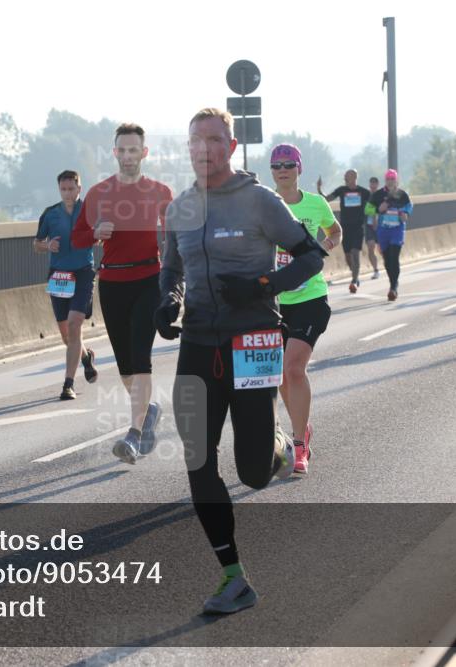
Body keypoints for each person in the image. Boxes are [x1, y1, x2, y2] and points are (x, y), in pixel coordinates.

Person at [158, 108, 325, 614]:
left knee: (252, 472)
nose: (204, 148)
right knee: (197, 457)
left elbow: (311, 256)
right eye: (196, 140)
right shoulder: (180, 208)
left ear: (230, 147)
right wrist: (169, 301)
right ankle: (233, 577)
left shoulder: (260, 201)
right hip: (198, 343)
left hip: (252, 341)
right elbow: (172, 269)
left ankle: (278, 442)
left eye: (214, 140)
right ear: (188, 148)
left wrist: (262, 285)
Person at [71, 123, 173, 463]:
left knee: (141, 358)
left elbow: (176, 238)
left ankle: (133, 435)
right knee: (126, 367)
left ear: (144, 153)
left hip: (149, 280)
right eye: (122, 150)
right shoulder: (98, 193)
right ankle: (149, 409)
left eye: (134, 150)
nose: (128, 156)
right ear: (114, 152)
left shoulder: (160, 192)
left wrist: (176, 281)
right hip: (113, 284)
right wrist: (95, 233)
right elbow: (77, 238)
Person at [275, 144, 339, 473]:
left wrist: (321, 248)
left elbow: (335, 231)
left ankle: (299, 445)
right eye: (277, 165)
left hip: (311, 298)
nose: (283, 170)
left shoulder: (315, 203)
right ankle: (302, 427)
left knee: (293, 368)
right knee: (280, 375)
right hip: (274, 302)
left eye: (289, 164)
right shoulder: (266, 204)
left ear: (299, 168)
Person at [34, 170, 99, 400]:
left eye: (72, 189)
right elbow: (36, 243)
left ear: (79, 188)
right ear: (59, 190)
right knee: (66, 336)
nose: (68, 193)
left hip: (83, 273)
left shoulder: (90, 211)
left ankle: (68, 384)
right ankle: (85, 357)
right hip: (59, 276)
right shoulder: (50, 214)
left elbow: (100, 234)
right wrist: (47, 245)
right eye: (63, 189)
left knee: (74, 324)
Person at [318, 169, 368, 292]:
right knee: (348, 256)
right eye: (345, 176)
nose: (345, 178)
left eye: (347, 176)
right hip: (345, 228)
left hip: (358, 227)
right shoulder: (341, 190)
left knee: (355, 253)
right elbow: (326, 199)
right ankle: (354, 273)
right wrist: (319, 189)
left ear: (354, 177)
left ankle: (354, 280)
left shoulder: (364, 192)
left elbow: (374, 204)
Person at [365, 170, 412, 300]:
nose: (390, 182)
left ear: (396, 180)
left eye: (393, 179)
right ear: (385, 181)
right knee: (387, 260)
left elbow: (409, 207)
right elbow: (367, 209)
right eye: (388, 179)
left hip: (397, 230)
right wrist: (378, 209)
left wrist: (405, 214)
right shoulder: (378, 194)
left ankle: (393, 287)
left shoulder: (402, 194)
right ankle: (393, 283)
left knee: (394, 257)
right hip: (383, 230)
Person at [365, 176, 381, 279]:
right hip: (369, 225)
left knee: (382, 249)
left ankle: (389, 266)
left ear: (378, 184)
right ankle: (376, 270)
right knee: (371, 247)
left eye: (375, 183)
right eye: (371, 183)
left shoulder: (381, 195)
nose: (373, 185)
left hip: (381, 225)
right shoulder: (366, 196)